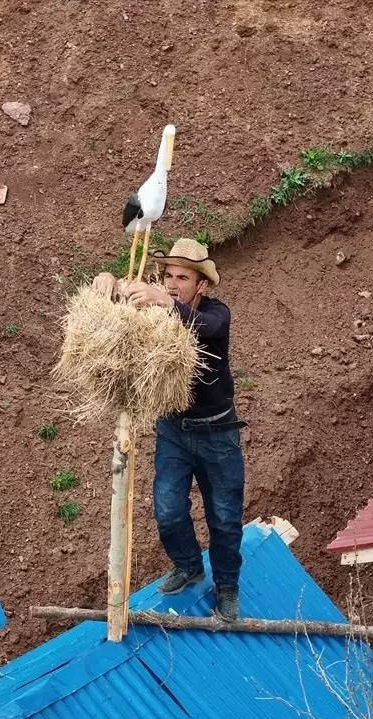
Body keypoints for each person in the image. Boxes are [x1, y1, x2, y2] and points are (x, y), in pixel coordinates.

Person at [92, 238, 246, 621]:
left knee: (224, 517)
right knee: (168, 510)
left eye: (182, 277)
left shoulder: (215, 314)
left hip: (218, 433)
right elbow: (120, 311)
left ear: (201, 285)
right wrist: (107, 279)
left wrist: (166, 302)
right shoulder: (155, 310)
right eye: (168, 276)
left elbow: (207, 326)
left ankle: (226, 586)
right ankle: (189, 564)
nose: (173, 283)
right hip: (174, 430)